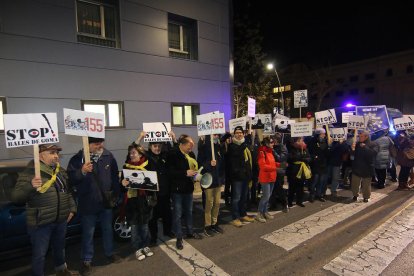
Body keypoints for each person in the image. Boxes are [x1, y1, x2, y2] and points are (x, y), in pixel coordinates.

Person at [12, 144, 77, 276]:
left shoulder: (60, 171)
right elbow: (16, 198)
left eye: (57, 153)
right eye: (52, 153)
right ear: (40, 155)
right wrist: (30, 186)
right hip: (41, 222)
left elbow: (67, 191)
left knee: (59, 248)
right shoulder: (30, 173)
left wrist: (72, 208)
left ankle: (62, 271)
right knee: (39, 254)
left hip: (60, 219)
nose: (56, 156)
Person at [67, 137, 121, 275]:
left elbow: (114, 176)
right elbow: (71, 179)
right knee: (88, 233)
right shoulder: (77, 159)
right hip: (88, 203)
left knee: (108, 230)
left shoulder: (108, 156)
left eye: (101, 142)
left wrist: (116, 193)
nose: (100, 145)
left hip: (105, 202)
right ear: (87, 144)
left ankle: (109, 253)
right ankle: (87, 260)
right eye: (96, 143)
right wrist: (82, 171)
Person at [120, 143, 156, 261]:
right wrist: (123, 184)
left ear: (141, 154)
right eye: (130, 153)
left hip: (144, 201)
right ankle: (137, 248)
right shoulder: (126, 167)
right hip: (132, 201)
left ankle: (146, 246)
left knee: (145, 225)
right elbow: (121, 186)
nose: (131, 155)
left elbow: (153, 183)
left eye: (134, 153)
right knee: (135, 227)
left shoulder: (148, 165)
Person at [167, 134, 203, 250]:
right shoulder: (173, 154)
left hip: (188, 189)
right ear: (182, 145)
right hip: (177, 190)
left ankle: (190, 231)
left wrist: (196, 175)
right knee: (177, 214)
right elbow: (170, 172)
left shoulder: (191, 154)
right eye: (189, 146)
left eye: (192, 146)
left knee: (189, 211)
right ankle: (179, 237)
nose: (191, 148)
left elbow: (193, 169)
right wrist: (184, 173)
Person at [227, 126, 255, 227]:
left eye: (241, 133)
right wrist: (245, 143)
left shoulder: (245, 146)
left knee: (244, 197)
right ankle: (235, 217)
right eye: (237, 132)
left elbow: (248, 162)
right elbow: (237, 153)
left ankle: (243, 214)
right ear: (234, 134)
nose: (239, 134)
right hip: (237, 177)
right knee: (236, 198)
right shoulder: (232, 146)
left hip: (245, 176)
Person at [197, 134, 224, 236]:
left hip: (217, 181)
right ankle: (207, 225)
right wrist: (209, 164)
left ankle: (214, 223)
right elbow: (199, 164)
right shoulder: (203, 148)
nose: (216, 136)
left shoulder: (217, 147)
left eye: (217, 134)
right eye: (214, 134)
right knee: (209, 204)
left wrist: (222, 178)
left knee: (217, 203)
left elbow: (221, 164)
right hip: (208, 181)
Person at [350, 130, 379, 202]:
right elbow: (353, 155)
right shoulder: (357, 144)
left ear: (366, 137)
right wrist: (352, 149)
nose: (359, 138)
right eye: (359, 136)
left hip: (367, 168)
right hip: (357, 166)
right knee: (355, 183)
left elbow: (373, 154)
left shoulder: (373, 144)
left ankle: (366, 196)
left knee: (366, 184)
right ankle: (355, 194)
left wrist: (365, 147)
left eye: (361, 136)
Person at [256, 137, 280, 223]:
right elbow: (263, 166)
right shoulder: (262, 153)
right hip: (265, 177)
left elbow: (271, 163)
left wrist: (279, 165)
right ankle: (259, 214)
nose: (273, 144)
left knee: (268, 196)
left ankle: (265, 211)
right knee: (265, 197)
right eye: (271, 142)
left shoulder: (270, 152)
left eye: (273, 142)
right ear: (266, 144)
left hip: (272, 176)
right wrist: (276, 168)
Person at [287, 137, 311, 208]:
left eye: (302, 140)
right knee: (292, 187)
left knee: (300, 187)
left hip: (302, 170)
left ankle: (299, 201)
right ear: (297, 141)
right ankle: (290, 201)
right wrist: (301, 157)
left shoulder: (305, 149)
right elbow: (291, 158)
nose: (302, 142)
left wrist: (304, 159)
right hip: (293, 171)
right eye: (301, 140)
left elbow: (309, 158)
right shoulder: (292, 149)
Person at [308, 128, 330, 202]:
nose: (324, 135)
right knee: (314, 180)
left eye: (324, 134)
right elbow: (310, 152)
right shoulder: (312, 141)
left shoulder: (326, 142)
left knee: (321, 181)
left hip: (323, 164)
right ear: (318, 134)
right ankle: (312, 195)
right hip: (315, 164)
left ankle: (319, 194)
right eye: (322, 134)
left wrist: (329, 147)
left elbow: (327, 153)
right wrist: (314, 157)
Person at [269, 133, 289, 212]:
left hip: (279, 170)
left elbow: (280, 159)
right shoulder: (273, 147)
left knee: (279, 188)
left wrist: (273, 150)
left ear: (276, 140)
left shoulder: (282, 148)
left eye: (272, 140)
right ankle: (273, 204)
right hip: (272, 170)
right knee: (272, 189)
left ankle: (284, 204)